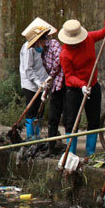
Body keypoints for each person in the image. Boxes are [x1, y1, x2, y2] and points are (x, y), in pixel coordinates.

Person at [58, 13, 105, 158]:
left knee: (94, 119)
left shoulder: (88, 38)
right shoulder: (64, 54)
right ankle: (71, 152)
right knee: (72, 122)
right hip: (74, 88)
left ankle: (91, 153)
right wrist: (82, 86)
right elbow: (69, 75)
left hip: (93, 85)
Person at [28, 19, 66, 155]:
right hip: (55, 86)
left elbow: (59, 60)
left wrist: (51, 76)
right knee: (52, 118)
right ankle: (51, 148)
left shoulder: (54, 44)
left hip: (65, 84)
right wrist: (46, 89)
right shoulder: (43, 54)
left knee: (67, 117)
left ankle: (69, 149)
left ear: (40, 41)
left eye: (35, 45)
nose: (35, 48)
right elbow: (49, 72)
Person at [19, 18, 54, 141]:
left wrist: (45, 81)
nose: (46, 43)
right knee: (32, 109)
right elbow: (28, 69)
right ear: (38, 41)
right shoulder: (28, 48)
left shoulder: (44, 48)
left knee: (40, 109)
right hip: (30, 83)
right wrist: (37, 82)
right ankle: (30, 136)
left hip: (43, 81)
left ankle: (37, 135)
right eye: (44, 41)